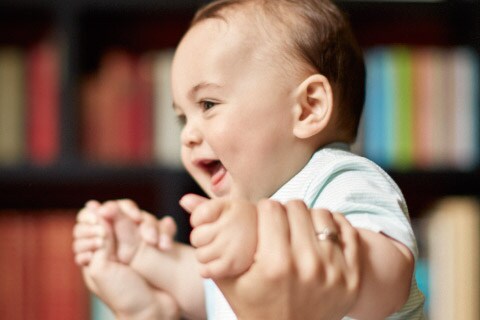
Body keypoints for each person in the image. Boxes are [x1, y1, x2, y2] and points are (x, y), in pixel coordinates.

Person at [72, 0, 425, 319]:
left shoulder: (340, 177)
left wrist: (258, 236)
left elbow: (390, 276)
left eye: (208, 105)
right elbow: (209, 291)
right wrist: (140, 255)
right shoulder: (250, 210)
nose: (187, 135)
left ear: (308, 108)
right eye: (183, 117)